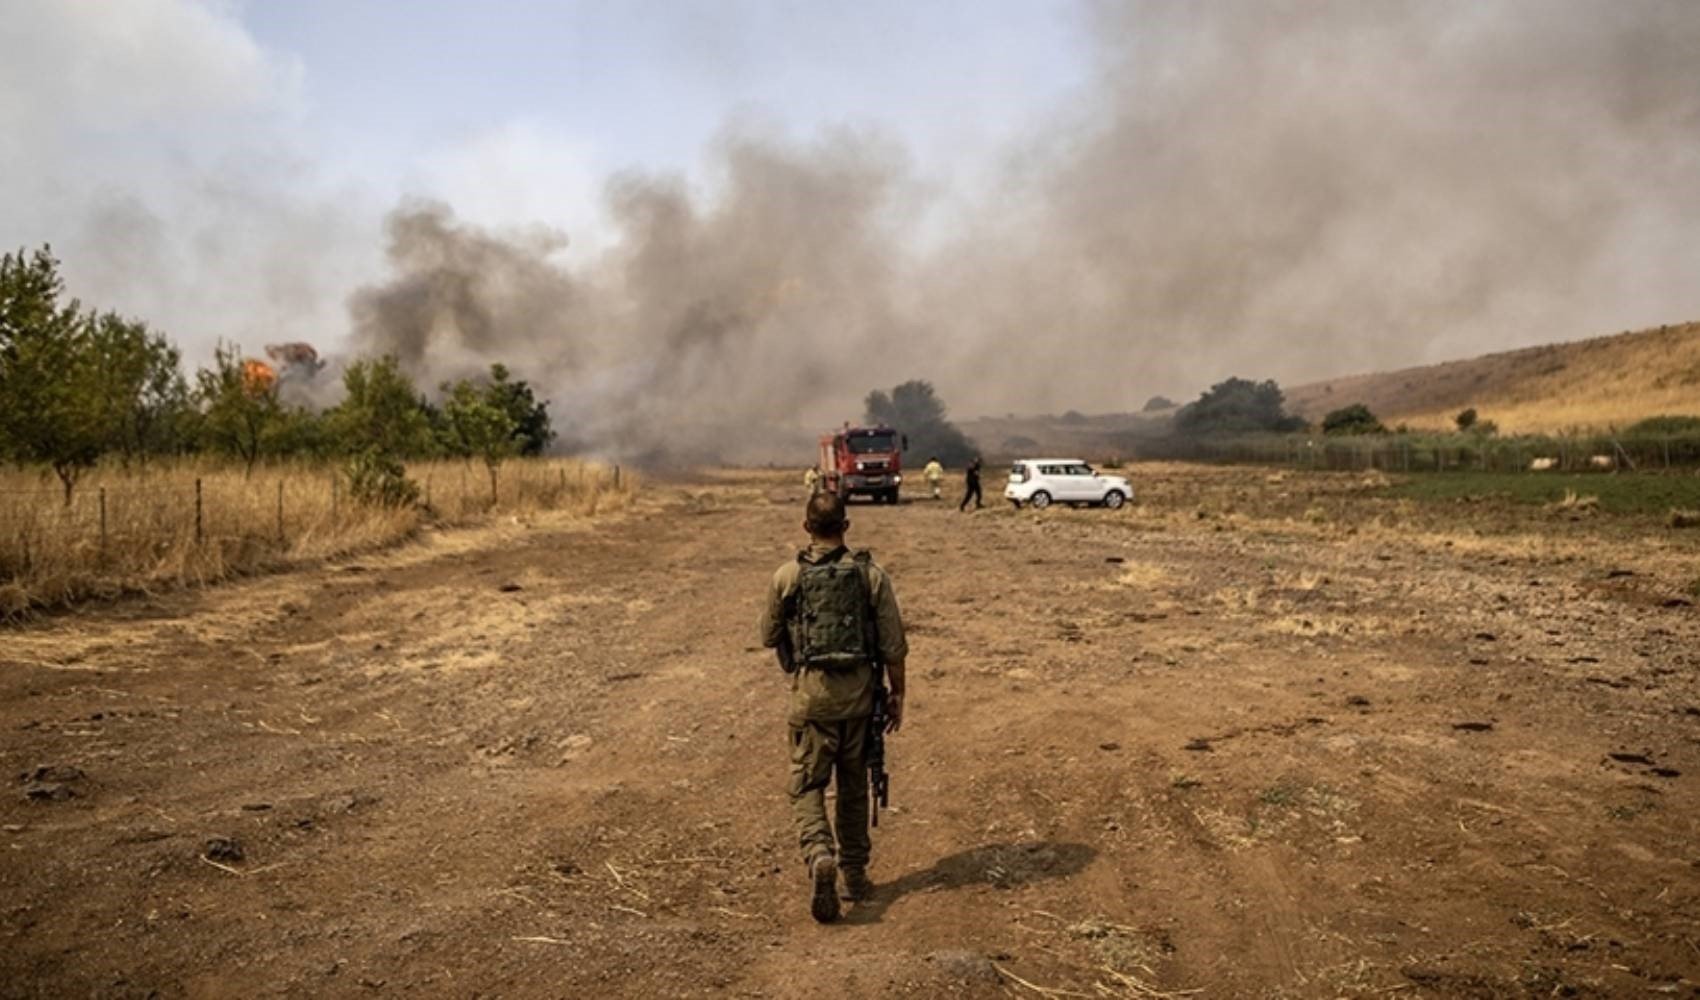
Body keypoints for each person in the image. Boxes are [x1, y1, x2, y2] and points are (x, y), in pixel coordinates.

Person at [758, 491, 907, 923]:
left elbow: (768, 635)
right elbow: (894, 646)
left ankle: (819, 851)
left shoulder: (787, 576)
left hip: (812, 701)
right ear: (845, 526)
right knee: (855, 786)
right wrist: (898, 696)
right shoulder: (871, 576)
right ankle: (854, 875)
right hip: (861, 702)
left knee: (807, 785)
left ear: (807, 528)